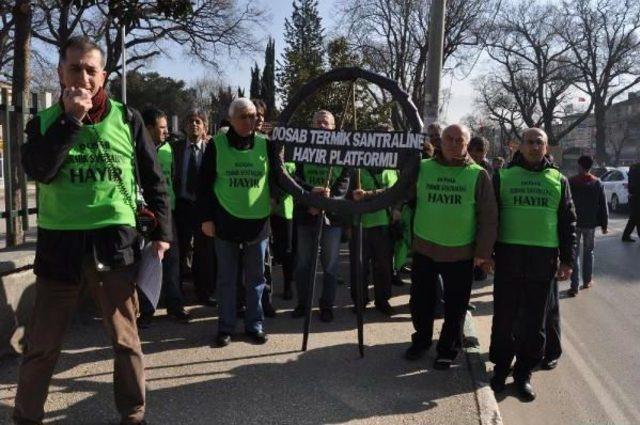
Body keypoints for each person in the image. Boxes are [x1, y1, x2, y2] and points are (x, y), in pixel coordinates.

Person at [14, 36, 171, 425]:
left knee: (125, 342)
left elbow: (154, 179)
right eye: (74, 68)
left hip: (114, 249)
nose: (82, 76)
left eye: (90, 69)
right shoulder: (44, 121)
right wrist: (70, 120)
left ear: (103, 75)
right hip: (60, 251)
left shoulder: (128, 118)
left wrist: (163, 232)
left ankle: (134, 414)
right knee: (42, 346)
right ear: (60, 72)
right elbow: (40, 171)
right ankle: (26, 417)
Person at [489, 128, 576, 402]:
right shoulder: (502, 177)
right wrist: (485, 254)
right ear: (520, 146)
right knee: (504, 318)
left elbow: (568, 223)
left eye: (539, 142)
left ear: (546, 147)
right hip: (508, 258)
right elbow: (490, 220)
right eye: (529, 142)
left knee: (535, 323)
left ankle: (524, 374)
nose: (534, 146)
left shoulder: (558, 180)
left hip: (543, 261)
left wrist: (568, 260)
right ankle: (501, 369)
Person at [404, 124, 497, 370]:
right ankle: (422, 341)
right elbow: (398, 192)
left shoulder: (478, 174)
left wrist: (483, 254)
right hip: (425, 249)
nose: (454, 144)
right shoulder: (422, 168)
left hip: (461, 253)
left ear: (467, 144)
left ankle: (447, 349)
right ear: (439, 141)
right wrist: (367, 195)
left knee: (455, 307)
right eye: (449, 139)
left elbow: (488, 217)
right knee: (420, 302)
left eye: (460, 140)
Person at [197, 98, 276, 347]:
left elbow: (279, 177)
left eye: (253, 116)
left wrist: (275, 198)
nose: (250, 120)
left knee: (256, 279)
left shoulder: (266, 144)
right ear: (231, 119)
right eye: (243, 116)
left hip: (257, 224)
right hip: (225, 221)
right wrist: (206, 219)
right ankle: (226, 326)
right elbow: (203, 185)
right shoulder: (216, 145)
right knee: (227, 279)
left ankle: (255, 325)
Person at [292, 110, 351, 323]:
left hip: (331, 217)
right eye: (317, 122)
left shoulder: (341, 151)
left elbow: (344, 181)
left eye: (326, 123)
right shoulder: (301, 149)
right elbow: (294, 178)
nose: (321, 126)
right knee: (304, 263)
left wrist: (326, 203)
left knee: (330, 265)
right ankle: (303, 303)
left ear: (333, 127)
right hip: (306, 213)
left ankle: (327, 305)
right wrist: (312, 198)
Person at [136, 108, 190, 328]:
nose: (166, 132)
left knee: (172, 262)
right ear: (148, 129)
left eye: (167, 128)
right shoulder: (136, 151)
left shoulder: (171, 149)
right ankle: (146, 310)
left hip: (169, 214)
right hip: (145, 218)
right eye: (162, 128)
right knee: (148, 264)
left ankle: (175, 306)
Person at [173, 109, 216, 306]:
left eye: (198, 121)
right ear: (184, 126)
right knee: (180, 250)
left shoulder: (212, 149)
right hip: (181, 206)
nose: (194, 125)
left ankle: (203, 292)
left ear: (205, 127)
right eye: (190, 121)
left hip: (204, 207)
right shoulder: (174, 148)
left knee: (204, 252)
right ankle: (177, 292)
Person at [350, 166, 399, 315]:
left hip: (383, 224)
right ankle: (360, 301)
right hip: (360, 224)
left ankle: (382, 300)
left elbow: (395, 193)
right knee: (359, 267)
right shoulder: (357, 170)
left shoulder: (392, 170)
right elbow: (348, 195)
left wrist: (396, 208)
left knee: (383, 266)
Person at [568, 155, 608, 296]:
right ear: (590, 167)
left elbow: (565, 204)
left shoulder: (571, 181)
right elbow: (603, 205)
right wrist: (604, 224)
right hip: (590, 224)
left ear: (579, 165)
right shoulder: (597, 183)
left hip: (574, 223)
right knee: (588, 252)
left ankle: (574, 286)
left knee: (575, 254)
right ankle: (587, 281)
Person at [622, 162, 640, 242]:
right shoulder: (636, 169)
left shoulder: (633, 167)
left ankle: (625, 236)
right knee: (636, 217)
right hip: (636, 196)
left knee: (634, 218)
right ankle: (626, 236)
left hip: (633, 196)